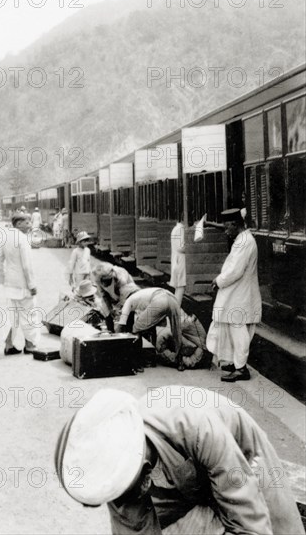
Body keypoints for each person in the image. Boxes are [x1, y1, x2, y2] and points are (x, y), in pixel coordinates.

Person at [55, 387, 305, 535]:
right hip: (184, 476)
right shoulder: (117, 474)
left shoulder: (196, 426)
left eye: (130, 493)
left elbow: (249, 525)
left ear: (143, 475)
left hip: (242, 459)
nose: (123, 503)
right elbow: (134, 528)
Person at [207, 208, 262, 382]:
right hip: (237, 293)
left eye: (226, 227)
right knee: (233, 328)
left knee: (238, 330)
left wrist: (218, 280)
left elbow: (235, 271)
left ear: (234, 224)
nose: (225, 230)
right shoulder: (242, 239)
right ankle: (234, 363)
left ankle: (241, 368)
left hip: (240, 294)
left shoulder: (244, 242)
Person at [0, 211, 39, 355]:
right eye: (27, 222)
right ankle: (30, 345)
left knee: (11, 316)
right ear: (18, 224)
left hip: (10, 284)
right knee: (29, 314)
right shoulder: (23, 239)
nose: (30, 225)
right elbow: (27, 265)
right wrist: (32, 285)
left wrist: (3, 278)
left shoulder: (6, 237)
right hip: (23, 285)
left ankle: (8, 346)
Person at [117, 287, 183, 369]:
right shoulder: (141, 295)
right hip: (172, 298)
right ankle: (180, 361)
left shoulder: (128, 301)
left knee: (136, 328)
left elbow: (121, 324)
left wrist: (116, 338)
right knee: (176, 330)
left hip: (160, 300)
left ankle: (137, 362)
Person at [92, 262, 140, 329]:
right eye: (103, 281)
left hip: (128, 294)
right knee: (107, 314)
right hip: (114, 294)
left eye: (106, 280)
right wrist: (110, 310)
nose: (104, 283)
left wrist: (120, 312)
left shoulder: (121, 276)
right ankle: (110, 333)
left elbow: (124, 298)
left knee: (127, 316)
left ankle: (128, 332)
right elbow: (104, 295)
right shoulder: (97, 278)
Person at [169, 220, 186, 304]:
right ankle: (176, 309)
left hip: (177, 260)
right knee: (181, 286)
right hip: (180, 261)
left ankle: (175, 309)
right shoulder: (180, 229)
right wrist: (192, 246)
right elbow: (181, 247)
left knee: (179, 287)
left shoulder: (176, 228)